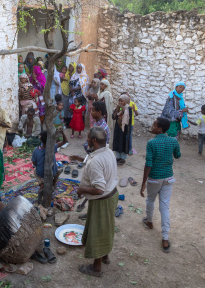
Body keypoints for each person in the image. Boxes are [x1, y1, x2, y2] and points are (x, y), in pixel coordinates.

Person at [77, 127, 118, 278]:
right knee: (106, 228)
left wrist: (82, 189)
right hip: (112, 194)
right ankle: (105, 256)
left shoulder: (96, 161)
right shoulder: (108, 151)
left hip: (103, 199)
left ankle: (96, 267)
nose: (86, 140)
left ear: (94, 140)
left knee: (99, 232)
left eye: (88, 138)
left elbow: (99, 189)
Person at [140, 118, 181, 253]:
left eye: (154, 125)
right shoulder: (173, 141)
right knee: (164, 206)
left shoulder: (151, 143)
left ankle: (149, 221)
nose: (152, 127)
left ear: (160, 129)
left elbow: (149, 164)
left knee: (150, 199)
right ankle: (165, 238)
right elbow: (178, 155)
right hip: (168, 177)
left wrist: (143, 182)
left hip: (154, 178)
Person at [32, 130, 67, 201]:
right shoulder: (53, 147)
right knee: (57, 168)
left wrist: (40, 165)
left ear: (40, 139)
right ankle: (54, 180)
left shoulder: (36, 150)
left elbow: (34, 163)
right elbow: (64, 142)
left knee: (35, 171)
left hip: (41, 173)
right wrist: (62, 132)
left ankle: (41, 184)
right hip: (52, 172)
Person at [112, 95, 132, 166]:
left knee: (123, 142)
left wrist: (123, 109)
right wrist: (117, 110)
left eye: (122, 101)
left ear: (125, 102)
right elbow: (113, 117)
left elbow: (128, 120)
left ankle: (123, 158)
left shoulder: (128, 108)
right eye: (119, 101)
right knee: (117, 141)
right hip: (118, 128)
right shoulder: (118, 108)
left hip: (124, 129)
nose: (120, 102)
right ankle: (118, 157)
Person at [97, 79, 114, 144]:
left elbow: (106, 106)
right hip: (100, 114)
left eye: (102, 84)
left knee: (104, 130)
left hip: (104, 115)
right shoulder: (100, 93)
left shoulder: (107, 94)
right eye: (100, 84)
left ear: (106, 86)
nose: (100, 86)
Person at [61, 63, 76, 127]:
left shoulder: (75, 75)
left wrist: (70, 73)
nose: (70, 68)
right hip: (64, 90)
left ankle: (70, 120)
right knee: (64, 104)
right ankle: (64, 118)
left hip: (71, 92)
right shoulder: (66, 73)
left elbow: (71, 80)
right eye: (70, 66)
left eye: (72, 67)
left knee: (70, 106)